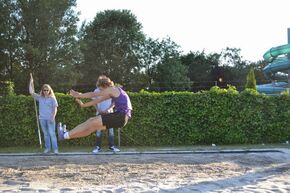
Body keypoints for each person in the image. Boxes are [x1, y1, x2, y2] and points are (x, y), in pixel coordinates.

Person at [57, 75, 132, 142]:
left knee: (91, 120)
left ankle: (66, 134)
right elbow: (97, 100)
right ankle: (65, 136)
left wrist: (78, 95)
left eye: (101, 89)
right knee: (91, 128)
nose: (101, 91)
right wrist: (82, 104)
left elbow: (94, 94)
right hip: (122, 119)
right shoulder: (112, 93)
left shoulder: (113, 89)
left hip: (120, 116)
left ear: (105, 86)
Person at [29, 75, 59, 154]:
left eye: (47, 90)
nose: (45, 91)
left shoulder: (52, 98)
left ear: (49, 90)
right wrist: (31, 81)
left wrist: (53, 117)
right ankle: (48, 149)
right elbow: (31, 92)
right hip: (42, 119)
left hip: (50, 119)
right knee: (46, 135)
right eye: (44, 90)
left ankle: (55, 150)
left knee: (52, 134)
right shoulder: (40, 98)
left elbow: (55, 108)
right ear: (42, 90)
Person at [92, 86, 120, 153]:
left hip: (109, 113)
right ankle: (97, 147)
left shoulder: (112, 90)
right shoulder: (96, 90)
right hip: (99, 113)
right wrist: (99, 110)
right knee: (98, 131)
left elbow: (114, 102)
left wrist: (108, 109)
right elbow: (94, 102)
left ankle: (112, 147)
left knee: (111, 132)